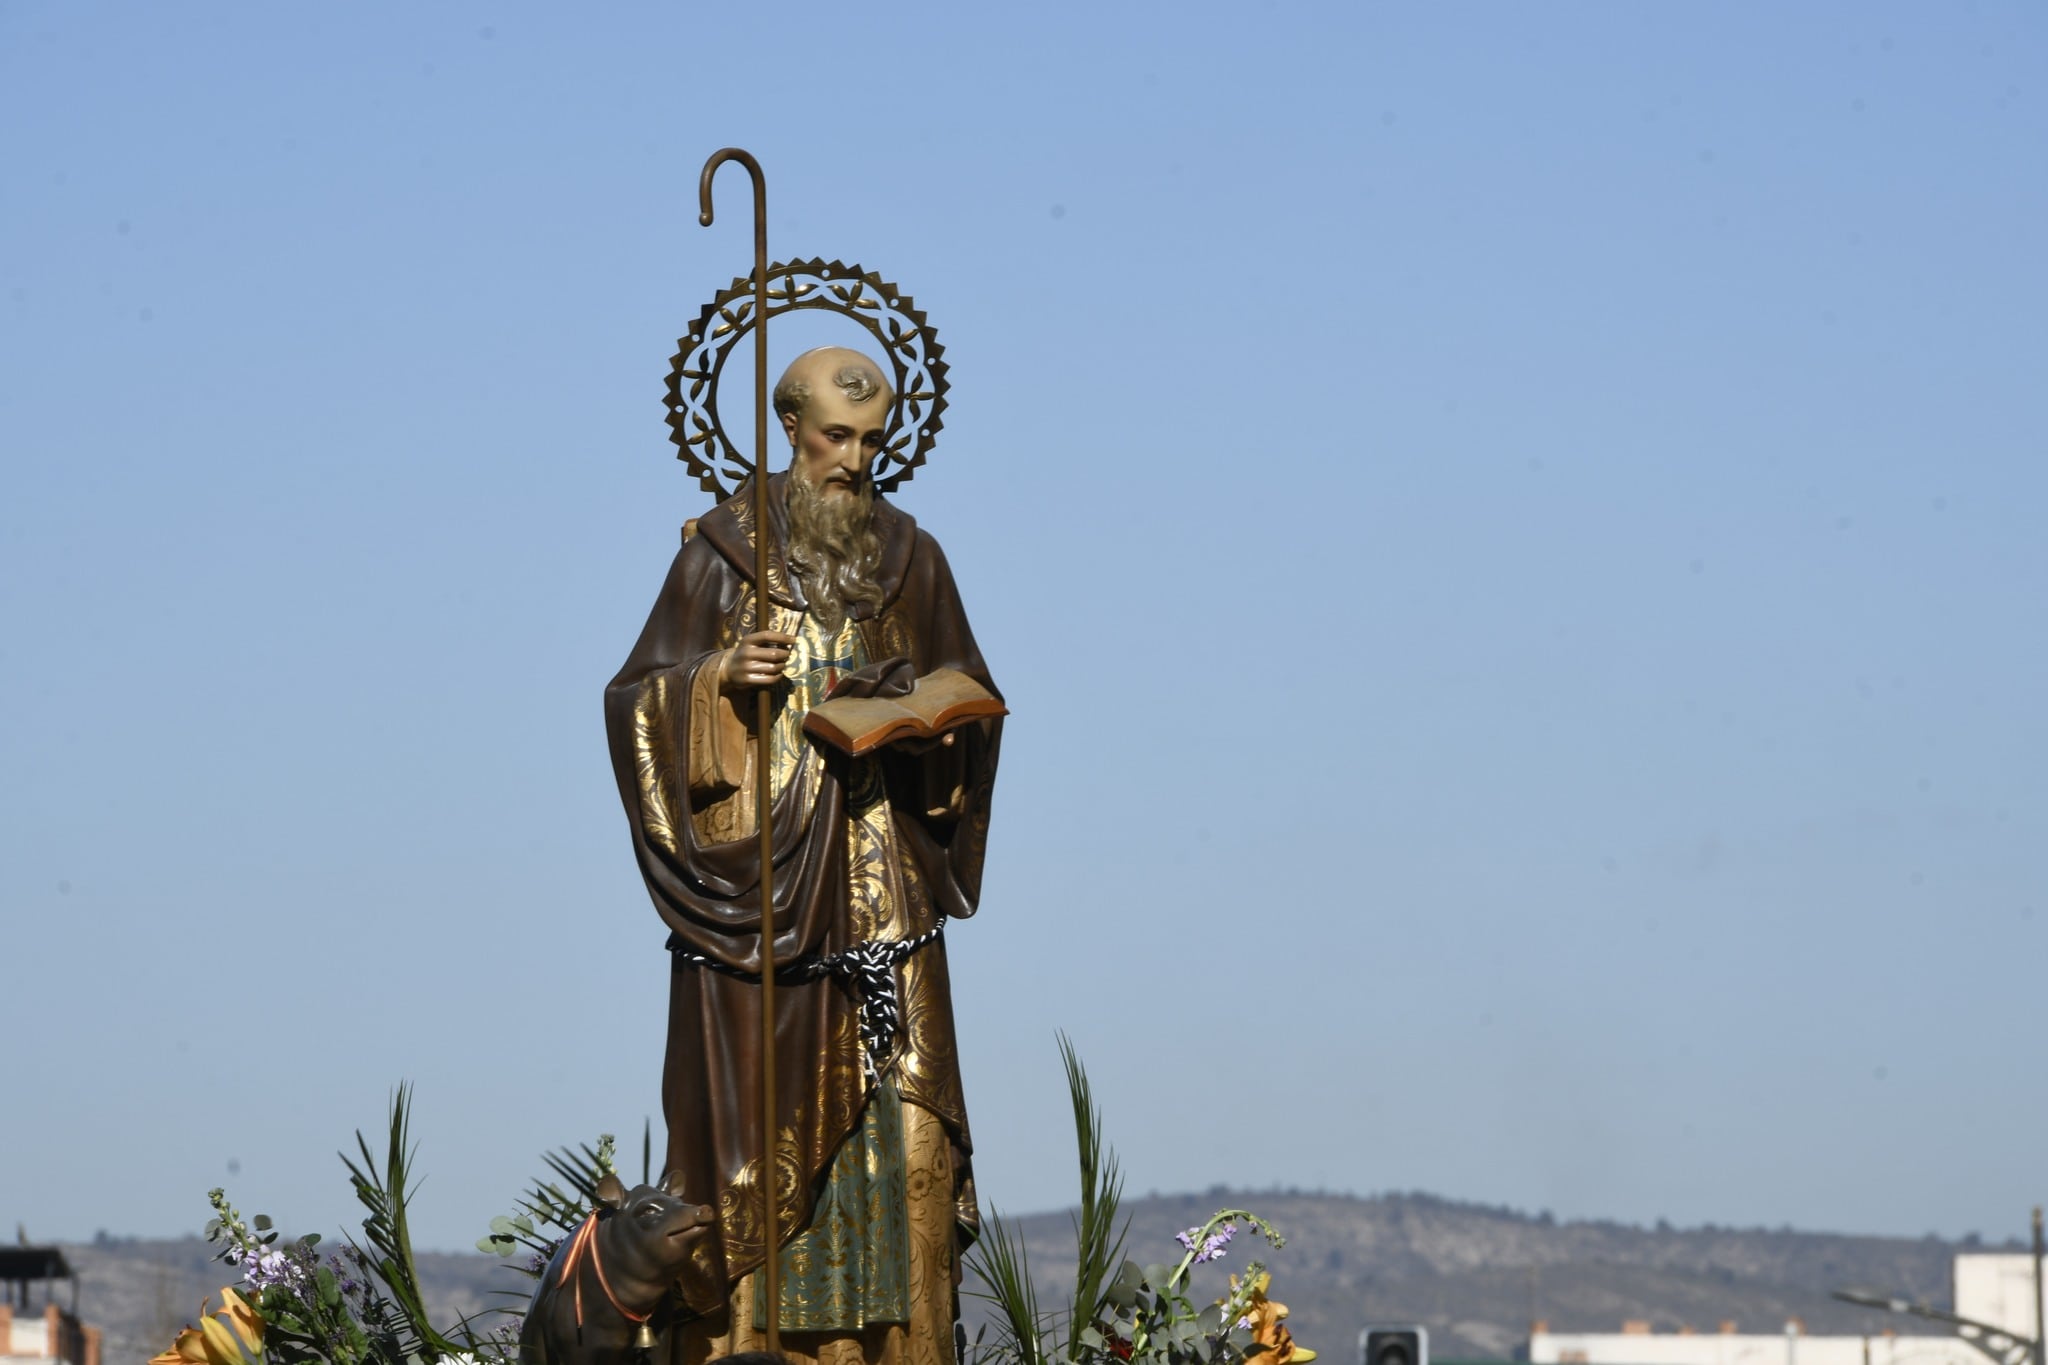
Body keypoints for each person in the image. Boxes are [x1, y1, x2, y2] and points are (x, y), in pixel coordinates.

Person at [604, 347, 1002, 1365]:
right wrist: (716, 680)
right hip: (762, 908)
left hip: (884, 891)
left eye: (873, 441)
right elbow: (634, 699)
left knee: (904, 1126)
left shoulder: (910, 554)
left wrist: (926, 718)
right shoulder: (722, 554)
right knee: (756, 1142)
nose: (856, 460)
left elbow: (968, 695)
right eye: (837, 438)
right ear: (789, 427)